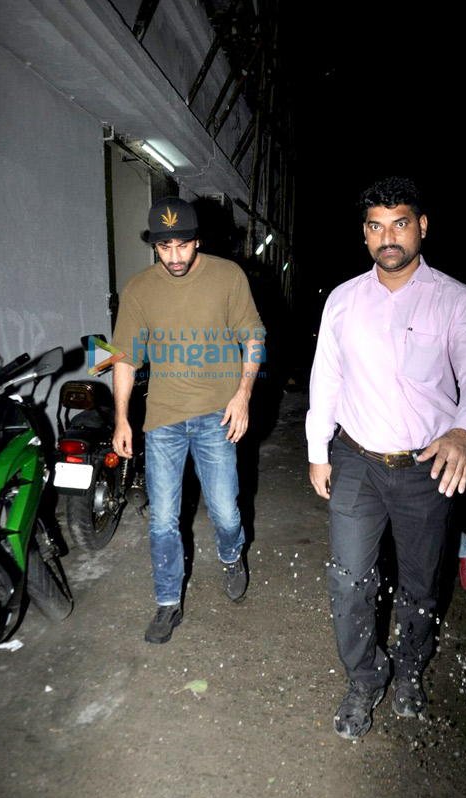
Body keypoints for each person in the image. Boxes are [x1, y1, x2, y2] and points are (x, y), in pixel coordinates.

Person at [306, 176, 466, 739]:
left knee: (421, 583)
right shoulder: (343, 300)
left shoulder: (458, 300)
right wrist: (319, 452)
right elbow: (327, 380)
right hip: (357, 462)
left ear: (421, 227)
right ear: (364, 235)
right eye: (375, 226)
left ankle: (411, 667)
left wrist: (465, 431)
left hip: (427, 469)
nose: (387, 237)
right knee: (348, 579)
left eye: (399, 223)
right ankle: (364, 678)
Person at [112, 196, 265, 644]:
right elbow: (123, 357)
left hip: (218, 415)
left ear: (197, 240)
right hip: (163, 420)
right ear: (154, 246)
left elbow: (253, 334)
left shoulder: (227, 276)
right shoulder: (139, 289)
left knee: (225, 511)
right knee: (162, 518)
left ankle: (232, 553)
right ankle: (166, 603)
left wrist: (243, 394)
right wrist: (121, 418)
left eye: (182, 245)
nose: (175, 257)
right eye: (165, 248)